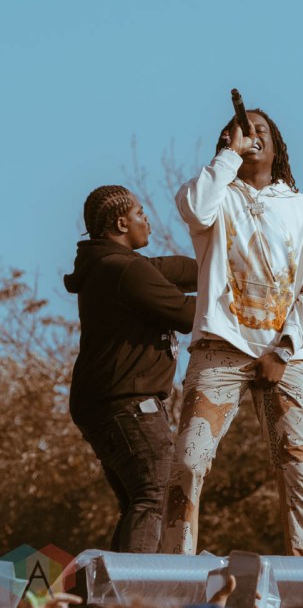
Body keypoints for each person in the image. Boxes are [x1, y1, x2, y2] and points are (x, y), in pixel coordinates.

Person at [162, 109, 303, 556]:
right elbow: (195, 208)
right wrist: (228, 157)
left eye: (261, 130)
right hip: (219, 348)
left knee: (296, 465)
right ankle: (177, 569)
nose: (252, 135)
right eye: (241, 130)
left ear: (277, 146)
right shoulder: (214, 193)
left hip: (283, 355)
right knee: (188, 462)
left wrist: (285, 349)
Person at [64, 185, 197, 553]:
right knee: (154, 495)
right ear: (122, 223)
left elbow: (174, 268)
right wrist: (237, 295)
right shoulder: (123, 270)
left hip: (104, 405)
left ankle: (113, 582)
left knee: (138, 502)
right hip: (129, 405)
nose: (147, 220)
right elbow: (188, 315)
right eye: (140, 213)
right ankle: (135, 585)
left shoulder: (108, 266)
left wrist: (219, 264)